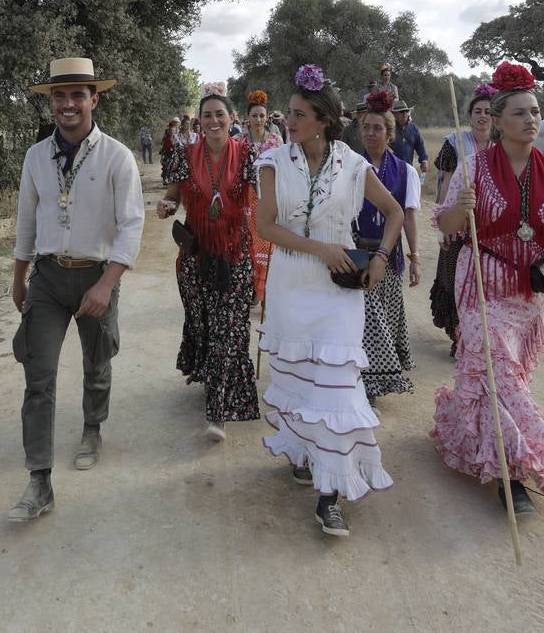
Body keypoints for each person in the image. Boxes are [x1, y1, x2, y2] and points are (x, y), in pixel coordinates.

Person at [433, 61, 544, 515]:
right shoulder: (472, 168)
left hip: (530, 290)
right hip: (481, 282)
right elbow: (449, 226)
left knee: (503, 376)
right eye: (519, 113)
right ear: (496, 121)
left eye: (534, 112)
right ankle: (516, 472)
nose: (531, 120)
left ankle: (468, 430)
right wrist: (462, 206)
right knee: (497, 371)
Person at [255, 63, 403, 538]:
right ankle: (304, 453)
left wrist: (381, 256)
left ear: (323, 119)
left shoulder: (355, 165)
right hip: (292, 283)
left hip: (340, 292)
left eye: (299, 115)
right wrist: (321, 249)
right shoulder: (274, 161)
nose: (289, 122)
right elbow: (266, 226)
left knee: (337, 386)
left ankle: (330, 495)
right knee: (299, 382)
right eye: (289, 115)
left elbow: (395, 211)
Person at [7, 58, 145, 522]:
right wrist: (18, 276)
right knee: (37, 373)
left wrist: (107, 284)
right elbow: (27, 220)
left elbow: (131, 226)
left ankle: (92, 428)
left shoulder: (116, 156)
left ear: (94, 99)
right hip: (47, 277)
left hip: (95, 274)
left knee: (97, 359)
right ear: (51, 102)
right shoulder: (34, 157)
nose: (68, 104)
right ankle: (39, 480)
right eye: (59, 96)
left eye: (77, 95)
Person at [157, 90, 261, 441]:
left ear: (232, 119)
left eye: (220, 115)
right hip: (195, 258)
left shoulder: (248, 155)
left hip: (235, 256)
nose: (214, 121)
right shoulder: (185, 156)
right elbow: (173, 195)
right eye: (207, 116)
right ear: (198, 121)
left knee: (228, 330)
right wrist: (168, 206)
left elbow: (265, 199)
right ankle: (210, 379)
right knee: (203, 325)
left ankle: (217, 412)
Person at [354, 91, 421, 402]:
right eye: (365, 127)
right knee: (361, 318)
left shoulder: (405, 172)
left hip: (389, 256)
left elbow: (407, 216)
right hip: (355, 253)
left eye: (377, 128)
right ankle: (361, 384)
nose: (370, 133)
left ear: (389, 133)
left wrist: (415, 257)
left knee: (385, 319)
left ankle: (375, 384)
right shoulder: (349, 165)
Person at [430, 83, 494, 355]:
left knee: (484, 284)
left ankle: (479, 338)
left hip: (488, 224)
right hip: (458, 220)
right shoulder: (454, 143)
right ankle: (459, 336)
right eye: (477, 111)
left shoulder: (502, 146)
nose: (482, 116)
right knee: (456, 279)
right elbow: (445, 183)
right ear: (469, 116)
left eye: (488, 112)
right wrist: (445, 219)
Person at [240, 90, 283, 305]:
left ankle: (266, 288)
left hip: (269, 198)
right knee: (249, 245)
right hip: (246, 200)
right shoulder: (239, 142)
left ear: (267, 118)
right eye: (254, 115)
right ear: (247, 118)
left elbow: (283, 170)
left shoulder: (276, 140)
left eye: (262, 116)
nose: (258, 120)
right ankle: (253, 288)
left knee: (267, 245)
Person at [389, 100, 429, 173]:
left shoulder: (413, 128)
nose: (404, 114)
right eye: (401, 112)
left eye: (406, 111)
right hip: (391, 169)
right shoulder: (389, 128)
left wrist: (424, 161)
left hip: (408, 168)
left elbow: (420, 145)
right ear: (395, 114)